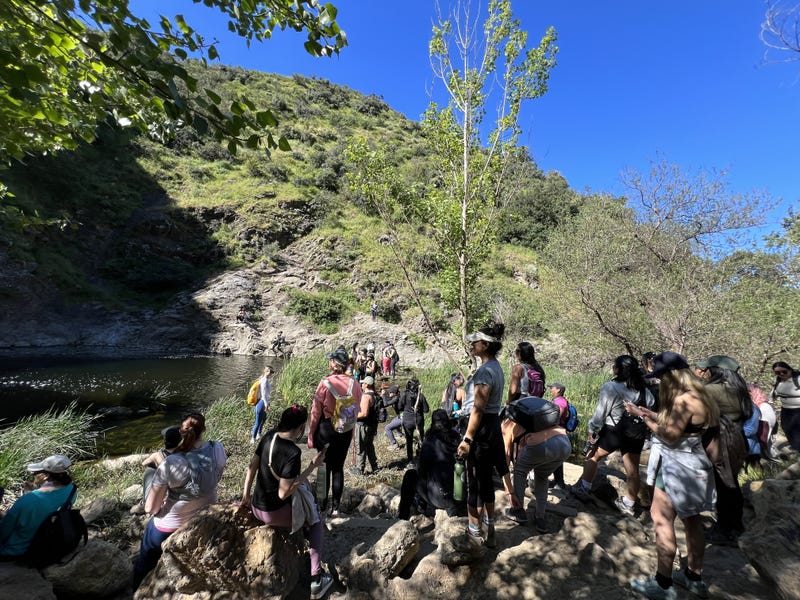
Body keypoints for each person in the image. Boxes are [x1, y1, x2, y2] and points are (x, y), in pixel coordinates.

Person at [628, 352, 719, 600]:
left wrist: (643, 420)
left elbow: (669, 436)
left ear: (671, 376)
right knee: (692, 520)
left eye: (660, 377)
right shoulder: (703, 396)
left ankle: (663, 583)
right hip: (697, 464)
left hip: (677, 468)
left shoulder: (683, 401)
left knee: (661, 518)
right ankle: (694, 577)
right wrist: (651, 414)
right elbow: (683, 427)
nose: (659, 382)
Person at [241, 405, 333, 600]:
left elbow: (252, 466)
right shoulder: (292, 452)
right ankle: (316, 578)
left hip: (256, 506)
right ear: (300, 428)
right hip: (273, 513)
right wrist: (312, 467)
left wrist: (245, 496)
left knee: (304, 499)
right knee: (316, 522)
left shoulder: (269, 437)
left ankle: (303, 538)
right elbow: (284, 492)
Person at [132, 413, 227, 589]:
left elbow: (150, 509)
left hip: (170, 525)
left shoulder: (172, 463)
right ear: (204, 429)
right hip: (205, 512)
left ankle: (138, 587)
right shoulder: (217, 448)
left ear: (181, 432)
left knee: (145, 555)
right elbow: (218, 474)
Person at [571, 355, 655, 517]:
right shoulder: (644, 390)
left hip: (614, 431)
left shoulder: (611, 387)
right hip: (635, 433)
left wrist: (592, 428)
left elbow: (601, 411)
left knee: (593, 457)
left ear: (618, 369)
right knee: (633, 471)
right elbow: (649, 407)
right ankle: (628, 503)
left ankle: (584, 487)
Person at [456, 321, 508, 548]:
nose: (472, 345)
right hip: (492, 426)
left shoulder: (486, 371)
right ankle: (490, 528)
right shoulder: (496, 367)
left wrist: (467, 438)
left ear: (485, 345)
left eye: (475, 342)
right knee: (486, 480)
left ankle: (474, 532)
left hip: (480, 429)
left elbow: (478, 408)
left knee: (474, 481)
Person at [694, 355, 751, 545]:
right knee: (731, 482)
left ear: (717, 370)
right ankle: (734, 525)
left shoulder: (711, 389)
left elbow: (698, 416)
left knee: (725, 485)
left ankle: (727, 529)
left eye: (708, 368)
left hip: (721, 439)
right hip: (737, 437)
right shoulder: (739, 389)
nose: (705, 372)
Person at [502, 395, 571, 533]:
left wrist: (510, 491)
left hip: (542, 445)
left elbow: (505, 460)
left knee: (520, 471)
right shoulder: (534, 419)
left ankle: (518, 510)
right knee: (542, 476)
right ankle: (540, 518)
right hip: (565, 443)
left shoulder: (506, 425)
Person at [307, 348, 360, 517]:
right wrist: (350, 431)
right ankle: (336, 509)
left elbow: (315, 413)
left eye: (330, 360)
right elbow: (355, 410)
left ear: (334, 364)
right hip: (344, 430)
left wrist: (311, 435)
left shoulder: (325, 383)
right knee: (338, 468)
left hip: (326, 429)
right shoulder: (354, 384)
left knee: (323, 467)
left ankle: (321, 508)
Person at [0, 455, 77, 559]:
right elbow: (43, 510)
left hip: (15, 551)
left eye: (36, 472)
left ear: (46, 476)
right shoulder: (72, 490)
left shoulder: (26, 501)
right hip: (45, 542)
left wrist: (28, 497)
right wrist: (30, 494)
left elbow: (3, 532)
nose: (33, 474)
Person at [398, 409, 464, 519]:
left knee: (410, 475)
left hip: (440, 498)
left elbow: (421, 471)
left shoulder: (430, 441)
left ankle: (403, 517)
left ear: (433, 424)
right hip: (460, 494)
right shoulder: (458, 438)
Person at [141, 426, 182, 504]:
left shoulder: (157, 455)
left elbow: (143, 464)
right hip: (179, 492)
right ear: (179, 440)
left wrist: (156, 463)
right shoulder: (183, 455)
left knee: (150, 467)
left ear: (165, 441)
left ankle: (145, 500)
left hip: (158, 499)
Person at [397, 377, 429, 465]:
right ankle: (421, 457)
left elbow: (399, 407)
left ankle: (410, 460)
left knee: (409, 440)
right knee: (421, 439)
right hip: (418, 421)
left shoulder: (405, 395)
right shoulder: (421, 396)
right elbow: (426, 410)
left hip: (407, 421)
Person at [771, 360, 800, 452]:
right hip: (786, 410)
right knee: (786, 428)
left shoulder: (798, 379)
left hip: (798, 410)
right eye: (777, 372)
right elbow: (774, 393)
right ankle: (796, 447)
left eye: (784, 371)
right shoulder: (778, 380)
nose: (781, 374)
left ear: (790, 369)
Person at [547, 382, 570, 490]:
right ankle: (558, 481)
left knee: (555, 458)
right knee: (556, 458)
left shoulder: (560, 402)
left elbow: (556, 416)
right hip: (556, 432)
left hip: (556, 433)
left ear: (558, 390)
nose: (550, 390)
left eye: (552, 388)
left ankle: (559, 483)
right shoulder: (558, 400)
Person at [355, 376, 379, 474]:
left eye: (363, 383)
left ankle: (360, 470)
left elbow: (364, 413)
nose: (361, 385)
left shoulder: (366, 397)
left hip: (363, 425)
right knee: (369, 446)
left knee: (360, 447)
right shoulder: (376, 395)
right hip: (371, 425)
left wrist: (352, 416)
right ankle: (375, 467)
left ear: (367, 385)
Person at [251, 365, 275, 444]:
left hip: (264, 402)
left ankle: (259, 434)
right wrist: (266, 404)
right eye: (270, 372)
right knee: (258, 422)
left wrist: (268, 403)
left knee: (263, 419)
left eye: (272, 372)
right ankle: (253, 439)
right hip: (261, 403)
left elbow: (267, 394)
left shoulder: (266, 380)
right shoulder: (264, 380)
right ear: (266, 371)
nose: (271, 374)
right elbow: (263, 394)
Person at [382, 385, 404, 452]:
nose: (389, 393)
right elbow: (387, 400)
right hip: (402, 416)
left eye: (390, 392)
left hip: (403, 418)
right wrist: (384, 394)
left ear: (394, 393)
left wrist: (383, 395)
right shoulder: (397, 396)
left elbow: (386, 404)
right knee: (393, 422)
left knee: (387, 428)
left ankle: (394, 444)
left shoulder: (396, 398)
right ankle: (401, 436)